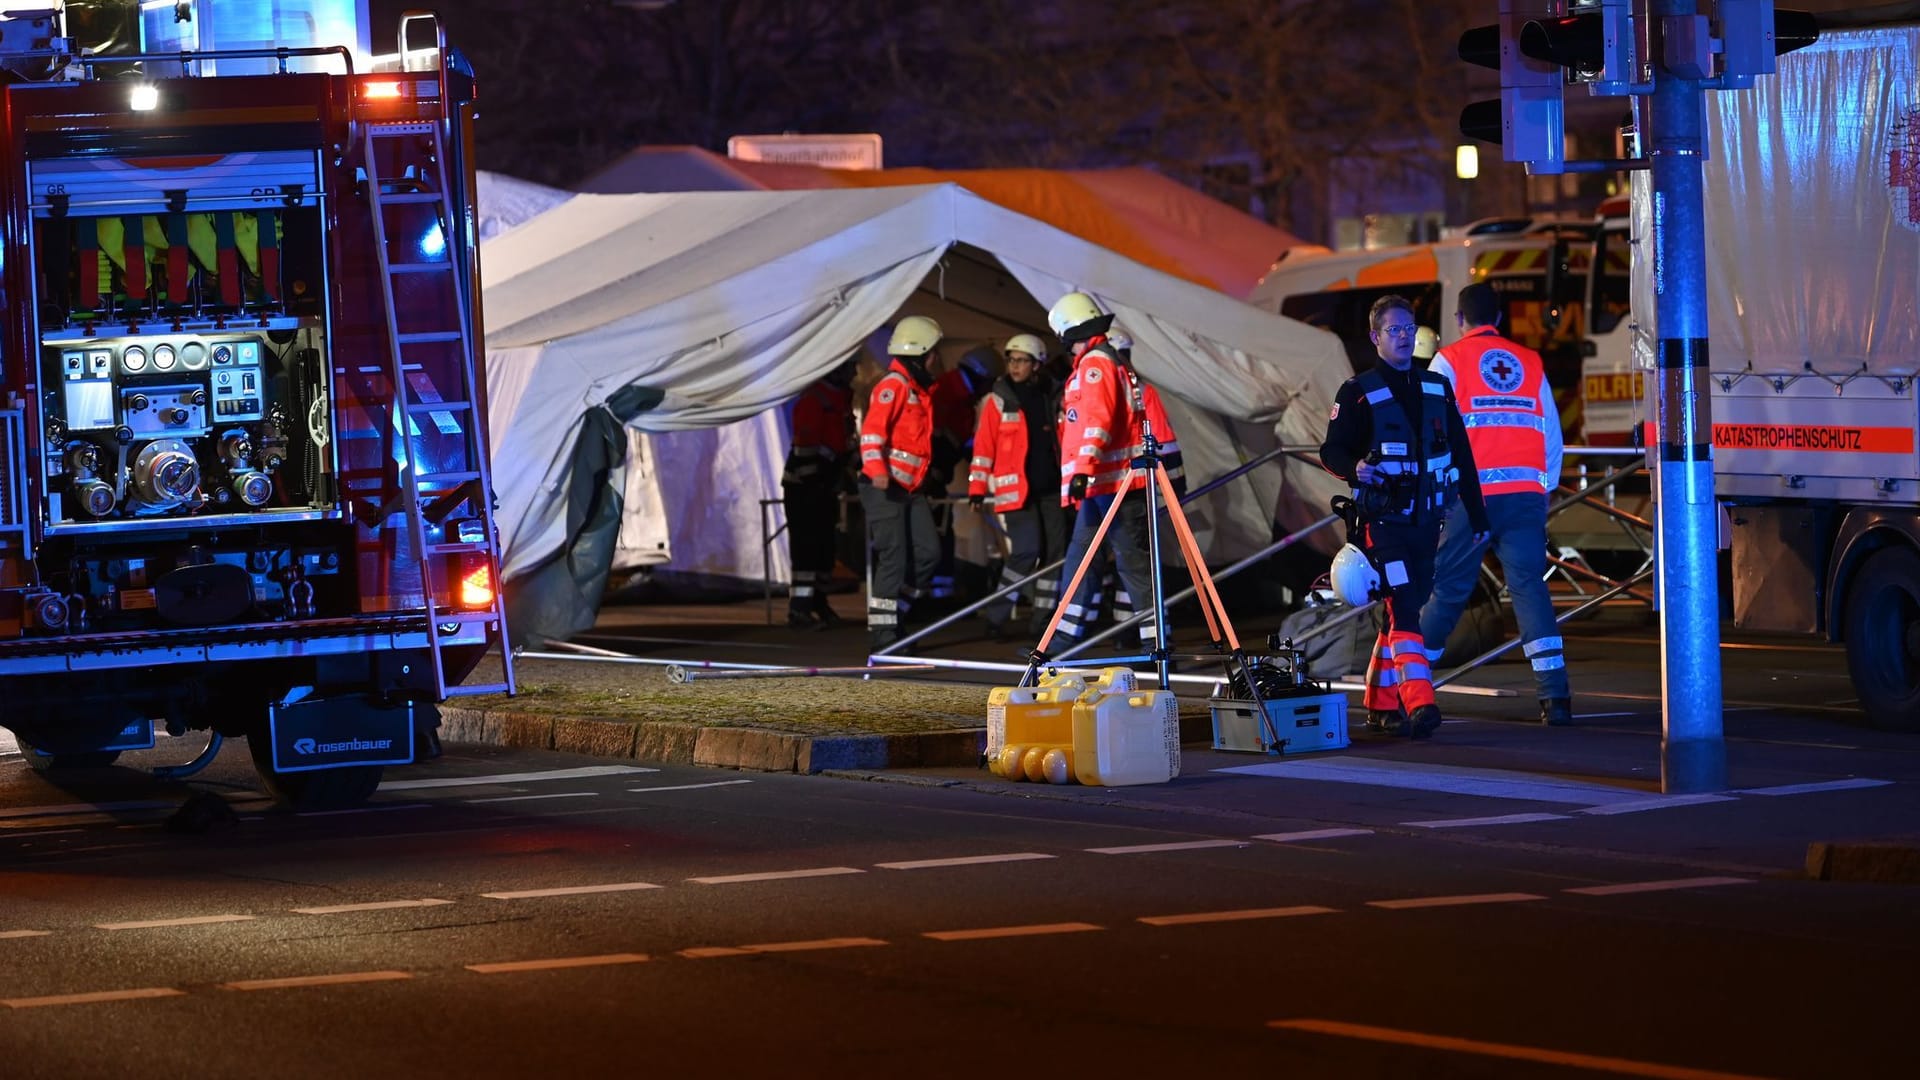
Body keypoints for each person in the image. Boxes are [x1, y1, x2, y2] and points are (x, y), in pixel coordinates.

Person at [1320, 294, 1489, 739]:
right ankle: (1421, 702)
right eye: (1394, 330)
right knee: (1406, 608)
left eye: (1409, 329)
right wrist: (1354, 467)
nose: (1403, 336)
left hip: (1427, 523)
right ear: (1375, 337)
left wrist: (1477, 513)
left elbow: (1463, 455)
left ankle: (1379, 705)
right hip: (1383, 523)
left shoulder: (1436, 387)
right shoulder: (1356, 392)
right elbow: (1330, 450)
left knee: (1400, 613)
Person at [1420, 282, 1572, 725]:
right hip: (1525, 496)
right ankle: (1555, 696)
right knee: (1530, 589)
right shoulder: (1529, 361)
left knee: (1448, 591)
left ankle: (1407, 685)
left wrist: (1437, 493)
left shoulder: (1448, 360)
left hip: (1472, 498)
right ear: (1500, 319)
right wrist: (1544, 489)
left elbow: (1434, 432)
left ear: (1459, 320)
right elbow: (1552, 435)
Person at [1048, 293, 1177, 652]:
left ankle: (1159, 646)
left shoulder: (1095, 365)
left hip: (1112, 483)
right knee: (1081, 560)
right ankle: (1063, 639)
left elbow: (1097, 422)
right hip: (1102, 484)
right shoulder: (1104, 361)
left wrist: (1082, 469)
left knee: (1133, 565)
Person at [968, 333, 1067, 640]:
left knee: (1056, 553)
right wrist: (977, 487)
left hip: (1052, 488)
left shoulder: (1053, 395)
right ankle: (996, 617)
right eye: (1011, 360)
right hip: (1017, 491)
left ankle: (1043, 620)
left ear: (1037, 364)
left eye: (1022, 360)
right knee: (1025, 551)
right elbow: (983, 447)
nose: (1015, 366)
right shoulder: (998, 399)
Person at [859, 316, 944, 651]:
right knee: (894, 556)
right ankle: (884, 636)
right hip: (884, 487)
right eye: (933, 353)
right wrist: (878, 470)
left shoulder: (915, 389)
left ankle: (896, 616)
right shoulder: (893, 386)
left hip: (909, 488)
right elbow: (872, 434)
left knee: (928, 553)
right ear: (920, 352)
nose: (936, 359)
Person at [781, 358, 856, 629]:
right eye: (850, 367)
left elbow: (843, 442)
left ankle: (819, 603)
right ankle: (798, 610)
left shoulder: (840, 399)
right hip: (804, 486)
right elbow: (807, 450)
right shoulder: (814, 399)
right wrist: (823, 476)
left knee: (825, 549)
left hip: (825, 484)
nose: (854, 373)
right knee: (806, 550)